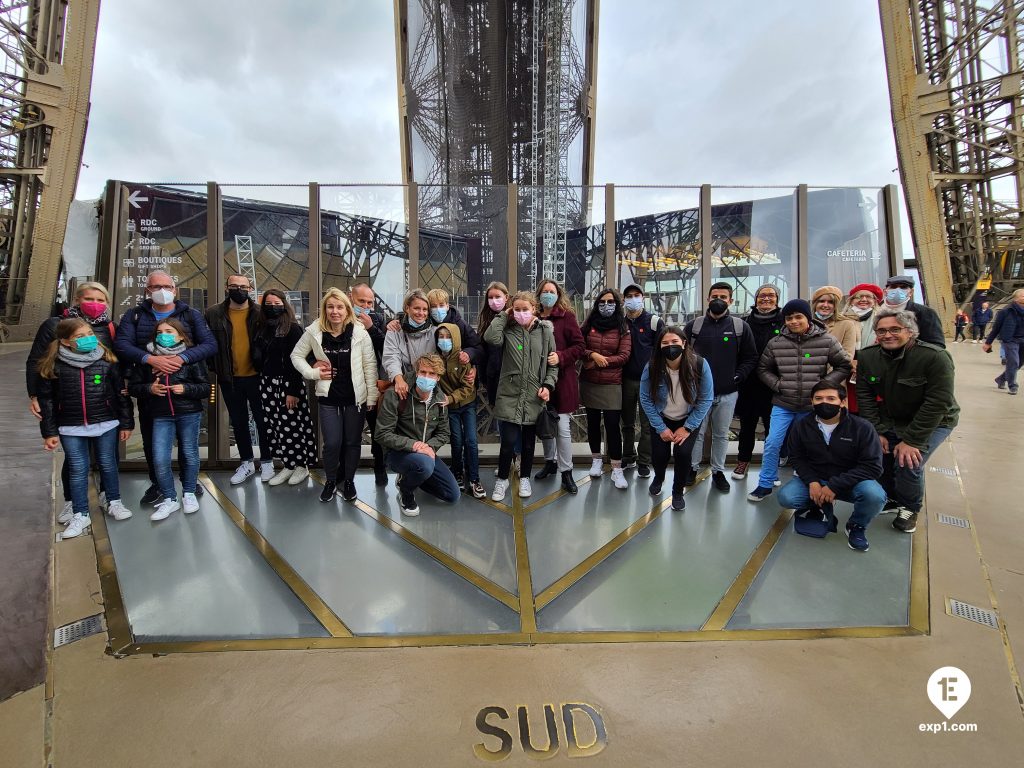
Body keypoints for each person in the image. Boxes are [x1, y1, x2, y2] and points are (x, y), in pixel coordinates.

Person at [114, 270, 217, 506]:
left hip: (184, 387)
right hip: (152, 388)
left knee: (187, 444)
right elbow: (122, 344)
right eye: (155, 286)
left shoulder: (190, 315)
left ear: (175, 289)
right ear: (147, 291)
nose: (162, 290)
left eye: (167, 286)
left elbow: (210, 345)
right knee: (154, 444)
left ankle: (189, 484)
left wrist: (180, 360)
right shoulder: (135, 315)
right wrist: (150, 360)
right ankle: (159, 485)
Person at [857, 308, 959, 533]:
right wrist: (877, 431)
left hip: (935, 420)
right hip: (892, 417)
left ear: (910, 331)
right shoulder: (868, 356)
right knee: (881, 455)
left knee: (907, 461)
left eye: (895, 329)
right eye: (881, 331)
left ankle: (910, 507)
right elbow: (865, 396)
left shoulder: (934, 357)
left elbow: (938, 403)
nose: (887, 335)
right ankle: (892, 498)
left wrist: (913, 440)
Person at [26, 281, 118, 519]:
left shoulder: (109, 328)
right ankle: (72, 501)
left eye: (100, 300)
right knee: (75, 459)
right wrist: (34, 394)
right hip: (69, 404)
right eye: (89, 299)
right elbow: (37, 361)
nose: (95, 305)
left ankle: (110, 496)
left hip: (101, 403)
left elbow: (116, 366)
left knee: (107, 457)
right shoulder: (55, 326)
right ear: (77, 300)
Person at [36, 318, 134, 538]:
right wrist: (49, 432)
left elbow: (121, 394)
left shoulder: (106, 360)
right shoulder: (53, 365)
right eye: (79, 336)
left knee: (108, 463)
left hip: (106, 421)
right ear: (64, 341)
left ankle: (113, 501)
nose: (88, 338)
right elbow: (47, 401)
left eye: (89, 333)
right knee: (78, 469)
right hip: (70, 426)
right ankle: (80, 513)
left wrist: (126, 422)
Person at [748, 298, 852, 502]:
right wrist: (778, 385)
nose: (794, 321)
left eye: (798, 317)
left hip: (811, 406)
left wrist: (823, 386)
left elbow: (844, 365)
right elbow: (763, 368)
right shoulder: (776, 342)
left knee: (810, 445)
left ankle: (807, 482)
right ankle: (765, 483)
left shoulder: (826, 340)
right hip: (783, 403)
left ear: (808, 318)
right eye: (789, 318)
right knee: (772, 443)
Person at [291, 288, 379, 503]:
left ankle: (348, 481)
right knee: (332, 443)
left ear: (347, 309)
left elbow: (370, 365)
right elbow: (296, 355)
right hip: (328, 398)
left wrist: (372, 397)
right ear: (324, 309)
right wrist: (312, 372)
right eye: (330, 307)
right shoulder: (314, 331)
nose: (335, 311)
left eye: (339, 307)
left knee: (352, 443)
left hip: (354, 398)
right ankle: (330, 481)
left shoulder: (359, 333)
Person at [777, 381, 886, 552]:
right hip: (817, 477)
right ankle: (817, 504)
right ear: (812, 401)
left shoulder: (862, 428)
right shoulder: (802, 425)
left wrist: (835, 486)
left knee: (875, 496)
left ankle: (856, 526)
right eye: (818, 398)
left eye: (831, 398)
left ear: (842, 402)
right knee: (787, 497)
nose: (824, 402)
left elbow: (873, 467)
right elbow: (797, 457)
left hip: (850, 481)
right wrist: (812, 482)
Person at [130, 319, 210, 522]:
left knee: (190, 453)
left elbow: (204, 387)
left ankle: (189, 493)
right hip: (160, 414)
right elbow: (133, 386)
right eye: (160, 332)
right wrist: (150, 389)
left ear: (181, 336)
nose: (163, 335)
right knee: (159, 458)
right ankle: (169, 497)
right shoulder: (148, 359)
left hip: (189, 412)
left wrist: (186, 389)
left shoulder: (190, 358)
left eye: (169, 331)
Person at [484, 291, 558, 501]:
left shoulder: (545, 332)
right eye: (517, 309)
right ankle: (502, 480)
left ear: (534, 309)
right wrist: (504, 315)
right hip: (509, 394)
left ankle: (525, 475)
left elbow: (553, 366)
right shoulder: (508, 329)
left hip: (534, 396)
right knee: (507, 442)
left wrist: (548, 385)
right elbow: (490, 337)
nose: (521, 313)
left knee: (527, 443)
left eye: (525, 309)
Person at [684, 282, 758, 492]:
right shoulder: (694, 326)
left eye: (723, 297)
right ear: (707, 299)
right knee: (696, 433)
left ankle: (718, 471)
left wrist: (737, 377)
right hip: (699, 393)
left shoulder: (739, 326)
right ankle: (692, 467)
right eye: (714, 295)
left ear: (730, 300)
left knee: (721, 434)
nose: (718, 300)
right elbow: (683, 355)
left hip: (728, 392)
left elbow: (750, 357)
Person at [375, 353, 461, 516]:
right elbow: (382, 433)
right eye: (423, 372)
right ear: (416, 372)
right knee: (425, 465)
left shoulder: (440, 399)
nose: (426, 377)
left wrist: (428, 447)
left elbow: (444, 433)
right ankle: (405, 491)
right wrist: (414, 445)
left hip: (425, 453)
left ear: (438, 378)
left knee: (452, 495)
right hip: (398, 453)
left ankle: (414, 477)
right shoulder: (397, 395)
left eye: (432, 374)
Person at [639, 326, 714, 511]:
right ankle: (659, 477)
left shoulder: (699, 364)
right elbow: (645, 398)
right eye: (665, 343)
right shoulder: (653, 366)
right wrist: (661, 427)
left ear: (684, 343)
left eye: (674, 342)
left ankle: (678, 491)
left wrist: (688, 427)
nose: (670, 346)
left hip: (688, 419)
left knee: (683, 454)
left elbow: (706, 398)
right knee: (659, 454)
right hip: (662, 418)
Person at [205, 274, 271, 484]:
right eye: (234, 286)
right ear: (227, 287)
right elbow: (206, 343)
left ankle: (268, 461)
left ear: (250, 289)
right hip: (229, 378)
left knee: (263, 421)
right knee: (239, 422)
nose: (239, 290)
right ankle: (247, 462)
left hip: (258, 376)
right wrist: (214, 367)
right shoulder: (213, 313)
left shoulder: (260, 313)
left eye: (243, 287)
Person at [252, 290, 316, 486]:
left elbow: (297, 362)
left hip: (288, 384)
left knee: (293, 426)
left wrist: (293, 391)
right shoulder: (261, 328)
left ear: (284, 304)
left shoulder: (293, 329)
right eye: (268, 303)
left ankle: (301, 466)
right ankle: (287, 464)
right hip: (268, 384)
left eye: (276, 302)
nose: (273, 306)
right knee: (277, 427)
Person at [534, 278, 586, 493]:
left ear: (558, 294)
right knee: (545, 423)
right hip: (538, 380)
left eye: (551, 291)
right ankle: (550, 462)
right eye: (544, 291)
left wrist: (562, 356)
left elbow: (580, 345)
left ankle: (567, 471)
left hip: (562, 381)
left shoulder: (567, 317)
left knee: (562, 428)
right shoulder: (533, 318)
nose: (547, 294)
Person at [579, 288, 633, 489]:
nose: (606, 305)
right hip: (590, 382)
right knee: (592, 423)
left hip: (612, 383)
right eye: (602, 302)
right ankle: (596, 460)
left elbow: (624, 355)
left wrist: (603, 361)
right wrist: (592, 355)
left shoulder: (622, 326)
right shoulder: (589, 323)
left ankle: (617, 468)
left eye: (610, 301)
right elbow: (579, 346)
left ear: (617, 304)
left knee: (612, 426)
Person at [733, 284, 785, 481]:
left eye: (771, 295)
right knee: (747, 426)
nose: (766, 299)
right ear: (755, 299)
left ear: (777, 299)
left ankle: (770, 468)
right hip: (748, 383)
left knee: (773, 429)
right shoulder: (744, 322)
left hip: (775, 384)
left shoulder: (784, 322)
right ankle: (742, 461)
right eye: (762, 295)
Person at [619, 283, 664, 481]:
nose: (633, 299)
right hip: (625, 380)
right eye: (629, 296)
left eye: (636, 295)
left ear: (643, 297)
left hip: (648, 382)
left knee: (648, 425)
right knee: (626, 422)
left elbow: (661, 351)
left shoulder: (654, 321)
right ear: (624, 300)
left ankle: (644, 461)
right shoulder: (620, 322)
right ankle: (628, 456)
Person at [435, 322, 485, 498]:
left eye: (448, 337)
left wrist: (451, 398)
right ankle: (457, 473)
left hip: (466, 404)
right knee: (456, 441)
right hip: (450, 408)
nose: (444, 340)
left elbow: (468, 387)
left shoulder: (463, 359)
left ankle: (474, 478)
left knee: (471, 440)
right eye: (441, 337)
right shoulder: (435, 359)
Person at [477, 281, 522, 477]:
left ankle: (519, 458)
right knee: (503, 422)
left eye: (498, 297)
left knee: (517, 422)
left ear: (507, 298)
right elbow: (484, 350)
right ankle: (509, 459)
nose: (494, 301)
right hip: (495, 380)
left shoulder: (516, 319)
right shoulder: (487, 322)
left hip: (515, 379)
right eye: (491, 297)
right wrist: (484, 376)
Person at [350, 282, 390, 485]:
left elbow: (386, 348)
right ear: (351, 299)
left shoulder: (378, 320)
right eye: (361, 301)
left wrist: (372, 328)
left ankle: (380, 466)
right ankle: (346, 474)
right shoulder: (341, 319)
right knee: (350, 433)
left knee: (377, 430)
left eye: (369, 302)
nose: (366, 306)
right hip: (349, 386)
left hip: (373, 385)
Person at [382, 289, 438, 400]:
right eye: (417, 308)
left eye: (425, 309)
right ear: (407, 308)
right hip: (403, 385)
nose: (421, 313)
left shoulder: (435, 332)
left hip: (429, 386)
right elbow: (391, 357)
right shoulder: (395, 330)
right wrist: (399, 380)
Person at [842, 282, 884, 413]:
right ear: (851, 301)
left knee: (872, 407)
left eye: (868, 297)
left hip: (873, 367)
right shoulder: (842, 319)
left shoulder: (883, 319)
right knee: (851, 406)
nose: (864, 300)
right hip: (848, 368)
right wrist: (850, 362)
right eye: (859, 297)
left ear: (875, 301)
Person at [881, 275, 945, 346]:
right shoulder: (876, 310)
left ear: (911, 292)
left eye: (903, 287)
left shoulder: (926, 313)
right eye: (893, 287)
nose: (898, 290)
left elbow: (936, 345)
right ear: (885, 291)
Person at [983, 289, 1024, 395]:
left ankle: (1001, 379)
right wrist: (988, 342)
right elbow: (996, 328)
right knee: (1014, 361)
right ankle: (1012, 386)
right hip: (1010, 340)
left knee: (1019, 364)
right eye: (1023, 296)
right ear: (1015, 298)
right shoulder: (1005, 311)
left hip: (1022, 339)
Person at [811, 285, 860, 359]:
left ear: (835, 306)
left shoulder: (847, 325)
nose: (825, 305)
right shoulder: (808, 324)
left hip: (835, 369)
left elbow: (847, 356)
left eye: (830, 302)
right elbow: (805, 354)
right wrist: (808, 357)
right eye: (822, 301)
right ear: (815, 304)